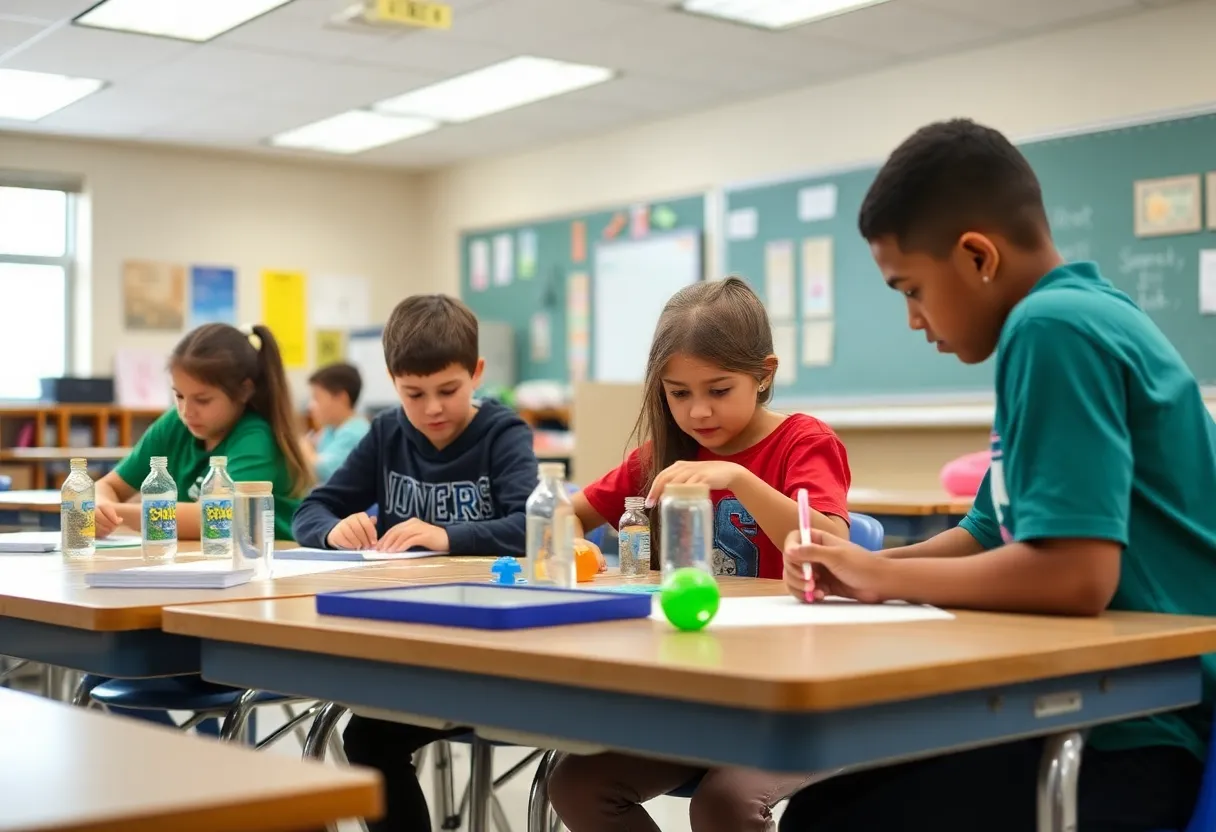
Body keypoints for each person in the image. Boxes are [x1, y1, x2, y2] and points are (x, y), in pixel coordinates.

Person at [779, 119, 1216, 832]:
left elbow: (1074, 577)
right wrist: (863, 565)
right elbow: (989, 532)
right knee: (831, 804)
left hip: (1134, 736)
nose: (914, 319)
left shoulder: (1052, 331)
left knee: (825, 820)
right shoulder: (1073, 315)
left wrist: (882, 579)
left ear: (977, 256)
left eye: (911, 289)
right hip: (1105, 710)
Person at [547, 277, 852, 832]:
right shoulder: (666, 454)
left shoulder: (804, 442)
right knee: (577, 785)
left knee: (723, 804)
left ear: (765, 374)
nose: (698, 412)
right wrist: (569, 542)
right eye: (678, 392)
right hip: (699, 694)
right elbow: (569, 512)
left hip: (790, 698)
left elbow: (830, 547)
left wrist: (739, 478)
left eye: (718, 389)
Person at [292, 294, 537, 832]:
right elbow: (311, 509)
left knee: (367, 735)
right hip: (407, 643)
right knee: (366, 737)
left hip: (492, 652)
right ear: (392, 383)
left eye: (448, 390)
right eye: (413, 394)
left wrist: (447, 535)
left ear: (476, 373)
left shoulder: (503, 434)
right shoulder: (386, 434)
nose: (432, 409)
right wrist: (334, 529)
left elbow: (531, 527)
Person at [87, 322, 312, 733]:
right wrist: (99, 502)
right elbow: (110, 484)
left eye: (202, 400)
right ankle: (192, 761)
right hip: (190, 594)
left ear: (244, 390)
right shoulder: (177, 424)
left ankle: (204, 765)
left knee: (205, 681)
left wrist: (123, 513)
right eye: (178, 396)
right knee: (98, 671)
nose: (188, 410)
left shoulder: (256, 437)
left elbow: (217, 519)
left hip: (256, 606)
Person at [302, 362, 370, 483]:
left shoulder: (355, 432)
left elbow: (322, 471)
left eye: (317, 398)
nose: (310, 406)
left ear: (341, 398)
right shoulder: (331, 429)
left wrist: (302, 445)